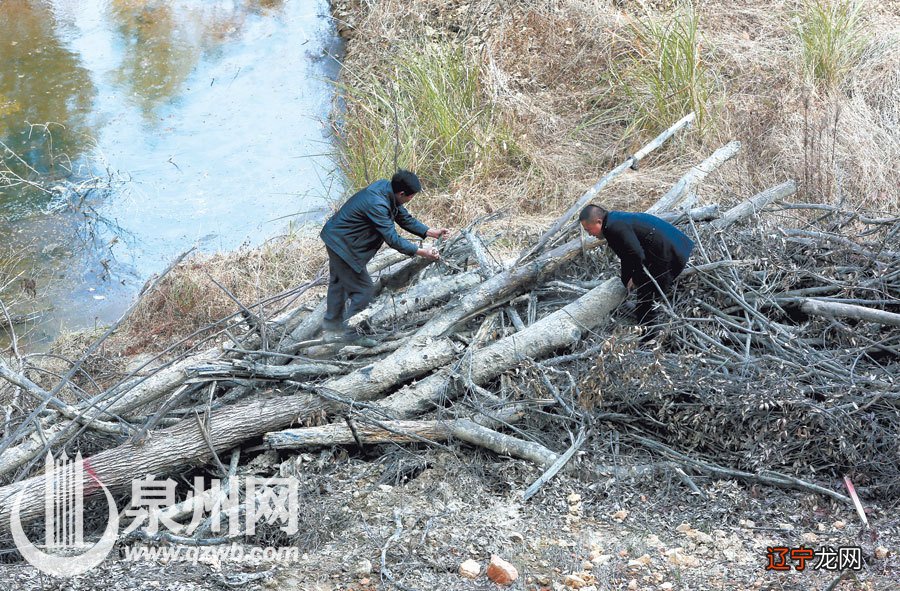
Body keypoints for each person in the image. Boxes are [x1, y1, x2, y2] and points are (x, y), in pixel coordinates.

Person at [319, 170, 450, 341]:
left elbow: (404, 218)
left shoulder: (387, 189)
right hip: (343, 245)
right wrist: (421, 252)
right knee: (363, 289)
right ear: (401, 193)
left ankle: (332, 325)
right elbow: (393, 239)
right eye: (411, 197)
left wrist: (431, 232)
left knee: (339, 281)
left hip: (336, 237)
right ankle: (352, 334)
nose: (411, 200)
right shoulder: (377, 204)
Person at [579, 204, 694, 333]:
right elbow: (626, 256)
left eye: (588, 229)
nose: (589, 234)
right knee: (644, 299)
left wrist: (636, 278)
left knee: (646, 306)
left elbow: (636, 254)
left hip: (670, 254)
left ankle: (649, 343)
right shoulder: (613, 221)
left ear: (598, 221)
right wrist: (626, 279)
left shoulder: (614, 227)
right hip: (676, 246)